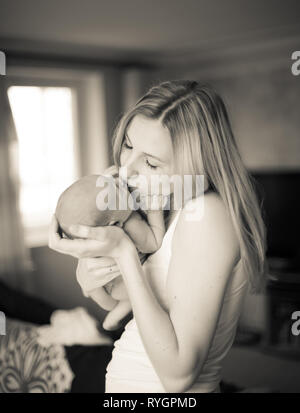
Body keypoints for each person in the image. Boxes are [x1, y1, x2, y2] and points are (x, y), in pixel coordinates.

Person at [48, 80, 267, 393]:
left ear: (194, 165)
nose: (126, 169)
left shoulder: (206, 214)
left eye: (151, 162)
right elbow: (123, 303)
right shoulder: (169, 204)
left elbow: (179, 376)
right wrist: (87, 272)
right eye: (127, 145)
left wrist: (125, 253)